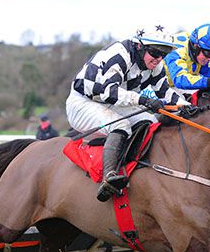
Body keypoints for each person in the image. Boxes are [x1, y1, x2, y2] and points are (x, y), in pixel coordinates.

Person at [66, 24, 188, 202]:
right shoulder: (120, 55)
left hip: (111, 102)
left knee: (151, 121)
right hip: (83, 102)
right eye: (155, 53)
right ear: (140, 46)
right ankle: (109, 177)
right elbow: (109, 91)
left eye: (164, 54)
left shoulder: (155, 64)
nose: (159, 59)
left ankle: (138, 168)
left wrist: (186, 106)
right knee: (120, 125)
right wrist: (144, 100)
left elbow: (164, 92)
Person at [164, 24, 210, 96]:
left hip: (172, 86)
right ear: (195, 46)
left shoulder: (201, 54)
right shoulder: (177, 50)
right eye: (209, 53)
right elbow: (180, 80)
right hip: (159, 86)